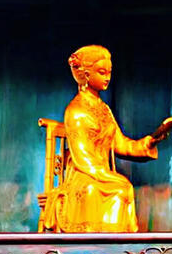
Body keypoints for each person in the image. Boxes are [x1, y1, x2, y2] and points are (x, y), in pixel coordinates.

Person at [42, 45, 158, 239]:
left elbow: (121, 144)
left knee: (122, 187)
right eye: (102, 72)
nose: (107, 78)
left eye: (109, 72)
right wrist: (109, 177)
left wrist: (149, 142)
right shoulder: (76, 111)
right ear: (87, 75)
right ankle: (95, 247)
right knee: (106, 188)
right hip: (84, 174)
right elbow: (84, 159)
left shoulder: (104, 109)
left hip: (101, 173)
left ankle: (115, 247)